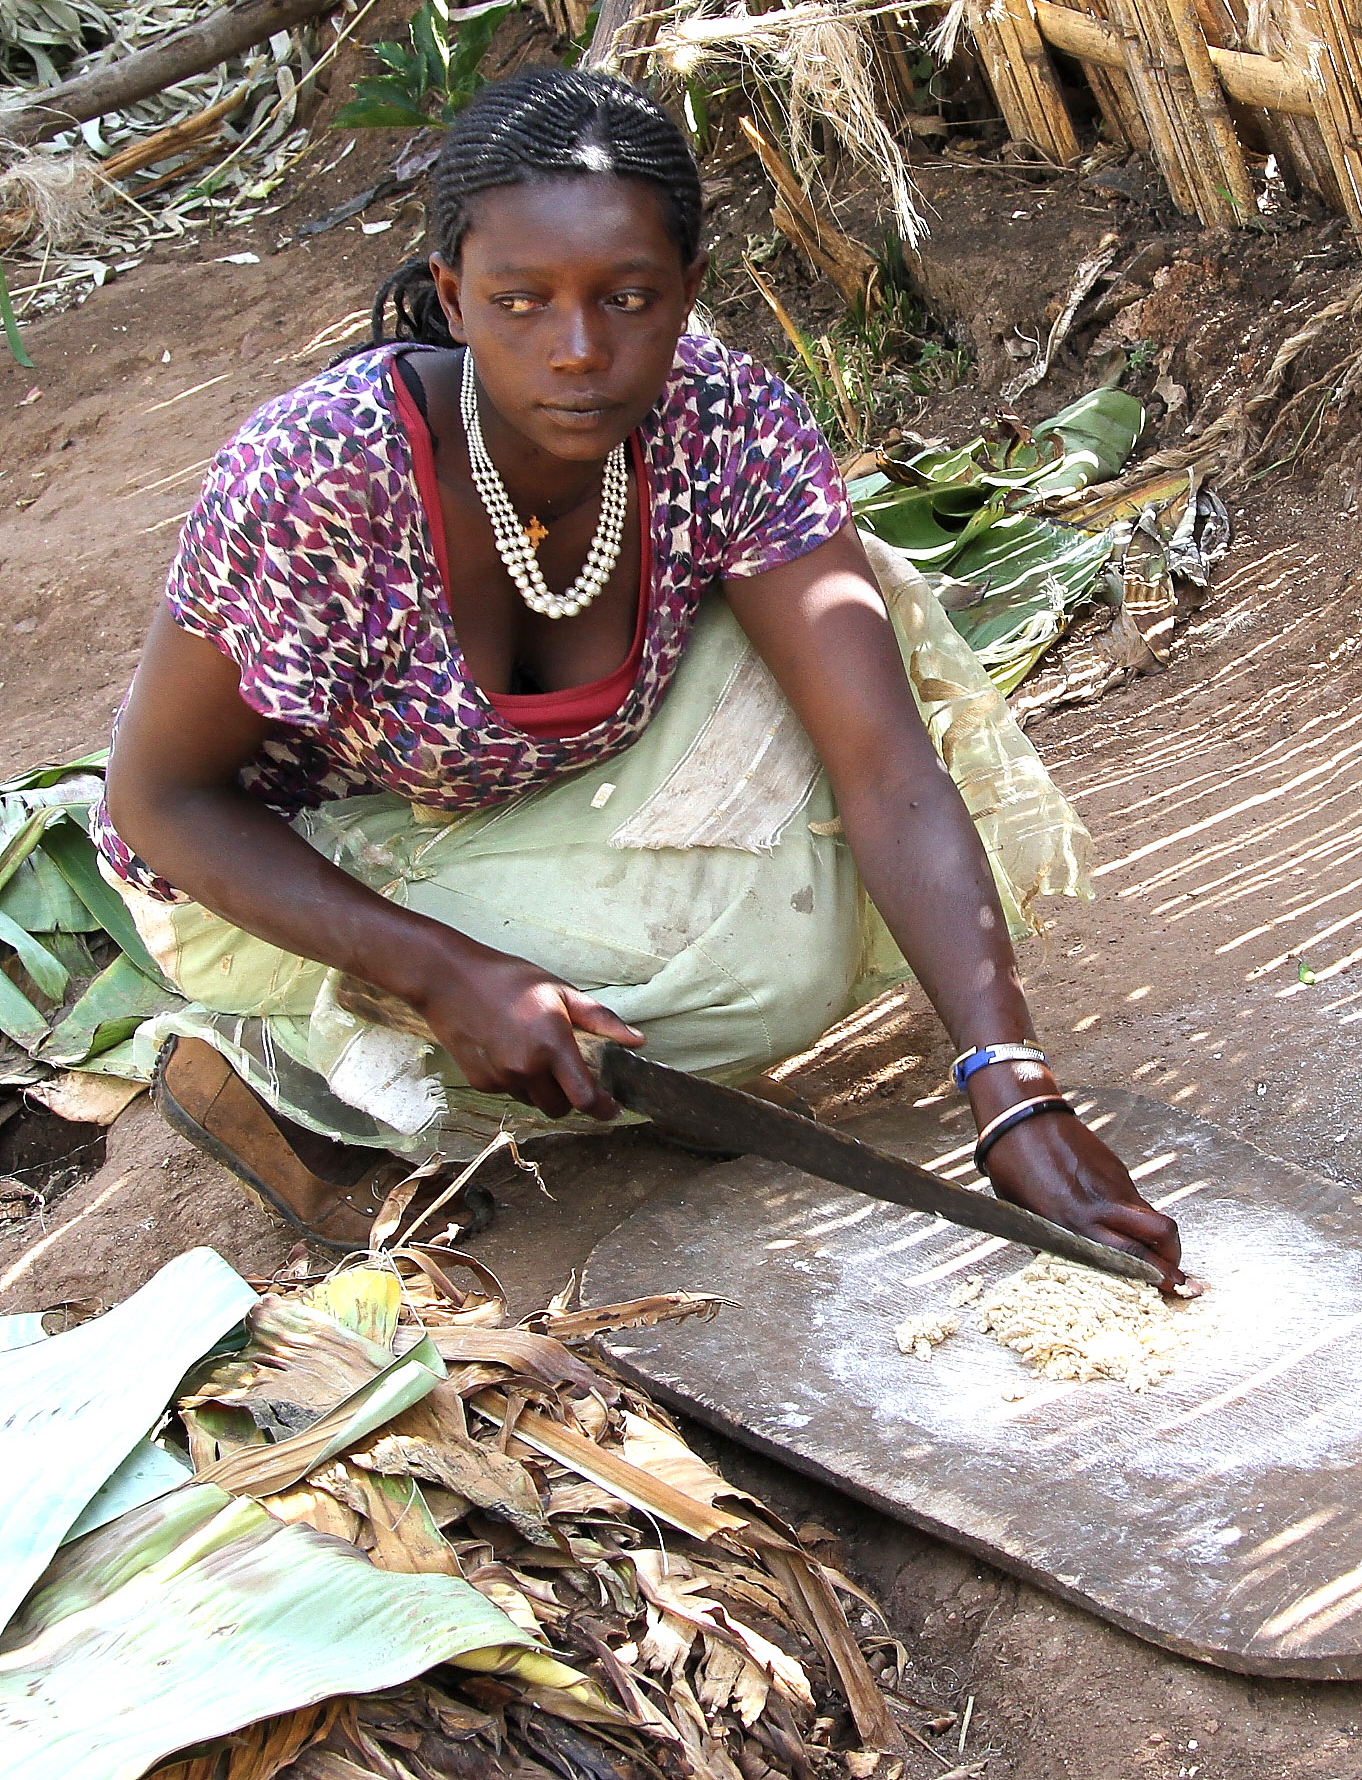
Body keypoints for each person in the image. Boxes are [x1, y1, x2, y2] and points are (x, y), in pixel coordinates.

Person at [97, 66, 1186, 1286]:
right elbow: (158, 801)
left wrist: (1012, 1087)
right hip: (290, 867)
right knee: (717, 985)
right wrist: (440, 971)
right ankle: (298, 1077)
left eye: (627, 298)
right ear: (453, 297)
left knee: (847, 607)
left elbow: (884, 766)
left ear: (687, 291)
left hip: (536, 795)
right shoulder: (321, 475)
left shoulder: (724, 424)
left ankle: (568, 1041)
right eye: (520, 302)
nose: (579, 352)